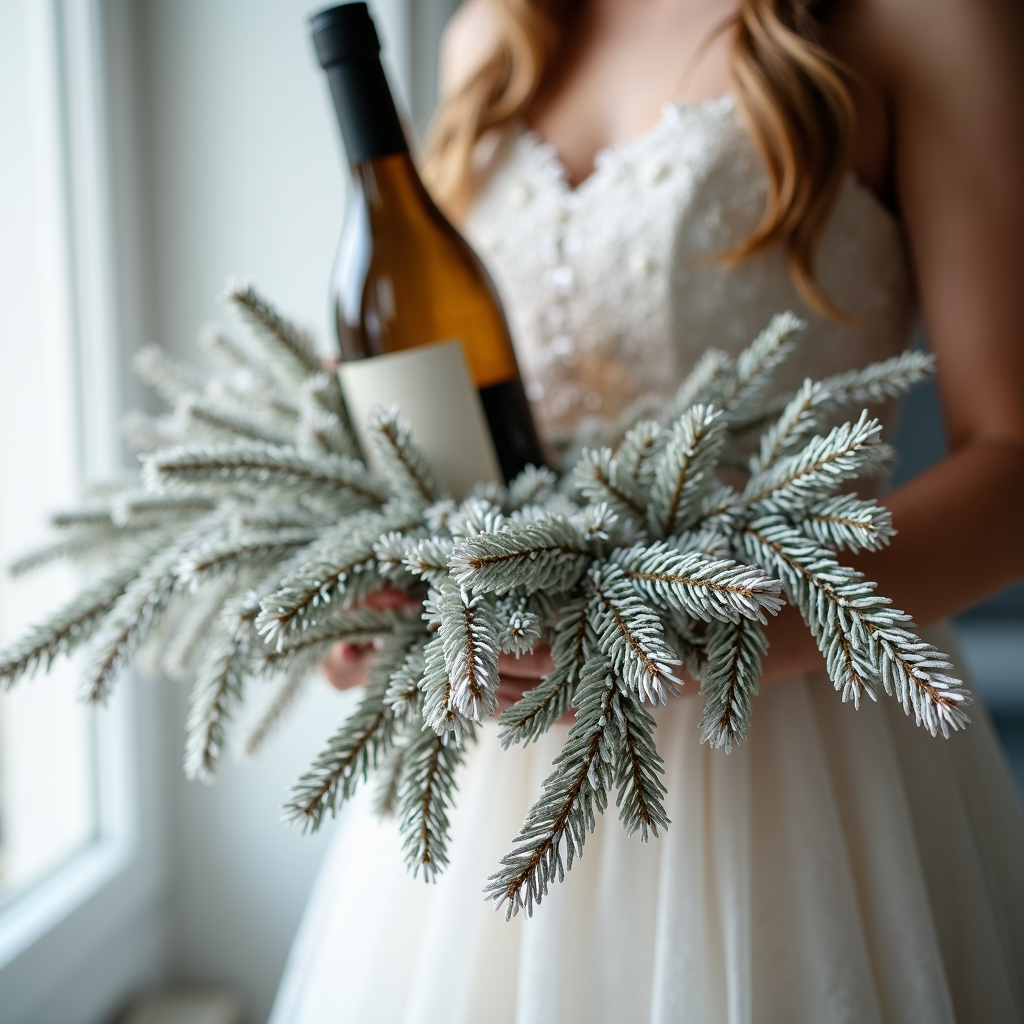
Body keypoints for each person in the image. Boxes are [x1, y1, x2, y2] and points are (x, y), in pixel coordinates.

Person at [271, 1, 1024, 1020]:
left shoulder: (922, 21)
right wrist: (376, 585)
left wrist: (713, 629)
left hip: (806, 753)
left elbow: (1012, 461)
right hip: (507, 762)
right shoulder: (488, 39)